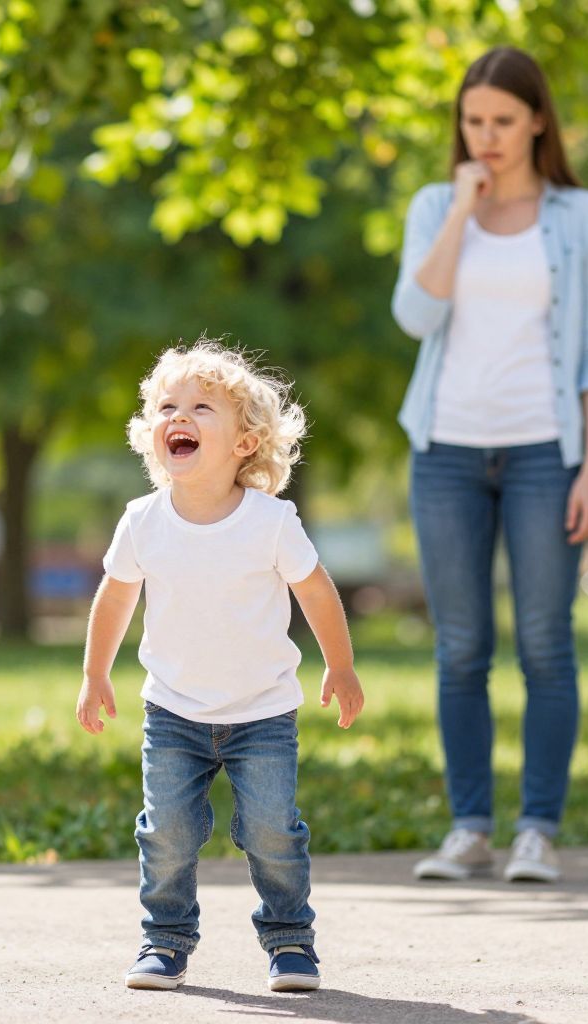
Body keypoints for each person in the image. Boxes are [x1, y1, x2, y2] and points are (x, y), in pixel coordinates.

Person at [390, 47, 588, 884]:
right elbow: (416, 314)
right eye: (472, 121)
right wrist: (460, 212)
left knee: (547, 645)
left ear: (537, 123)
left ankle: (538, 831)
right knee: (460, 648)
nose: (484, 137)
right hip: (445, 450)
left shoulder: (582, 217)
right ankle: (469, 828)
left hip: (542, 454)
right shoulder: (432, 205)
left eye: (501, 122)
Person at [75, 340, 365, 993]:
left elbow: (315, 590)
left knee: (270, 829)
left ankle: (290, 941)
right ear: (152, 436)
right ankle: (165, 941)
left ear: (244, 443)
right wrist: (95, 674)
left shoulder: (269, 521)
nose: (180, 415)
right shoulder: (142, 522)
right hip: (173, 711)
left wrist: (340, 665)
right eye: (167, 406)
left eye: (202, 406)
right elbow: (116, 596)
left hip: (261, 713)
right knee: (168, 833)